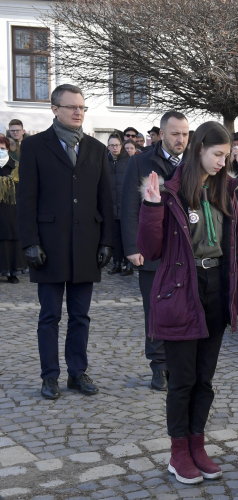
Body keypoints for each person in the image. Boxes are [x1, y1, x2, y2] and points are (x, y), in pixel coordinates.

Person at [137, 121, 238, 485]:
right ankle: (178, 453)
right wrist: (152, 206)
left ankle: (197, 444)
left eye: (227, 156)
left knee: (204, 379)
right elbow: (150, 249)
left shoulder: (226, 192)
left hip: (216, 290)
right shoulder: (170, 191)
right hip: (181, 292)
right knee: (183, 380)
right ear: (199, 148)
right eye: (217, 155)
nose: (223, 162)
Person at [17, 83, 114, 400]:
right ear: (54, 109)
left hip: (86, 243)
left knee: (80, 315)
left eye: (82, 108)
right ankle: (50, 376)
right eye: (72, 106)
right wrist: (29, 241)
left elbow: (105, 200)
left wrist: (106, 242)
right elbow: (26, 199)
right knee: (49, 316)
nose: (78, 112)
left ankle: (77, 372)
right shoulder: (33, 147)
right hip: (48, 245)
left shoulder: (96, 150)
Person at [121, 110, 190, 392]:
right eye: (175, 134)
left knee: (184, 309)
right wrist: (132, 247)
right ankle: (159, 366)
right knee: (155, 310)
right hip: (152, 250)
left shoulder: (195, 163)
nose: (181, 139)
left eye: (185, 134)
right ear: (161, 134)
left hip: (185, 251)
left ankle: (180, 365)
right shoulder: (140, 162)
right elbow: (128, 207)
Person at [107, 134, 132, 276]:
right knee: (115, 237)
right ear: (108, 147)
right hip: (111, 205)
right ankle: (116, 263)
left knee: (127, 236)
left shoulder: (129, 161)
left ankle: (129, 264)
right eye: (111, 145)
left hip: (126, 205)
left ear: (121, 146)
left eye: (116, 145)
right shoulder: (105, 160)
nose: (114, 148)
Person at [0, 136, 24, 283]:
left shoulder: (16, 166)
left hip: (11, 210)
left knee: (11, 240)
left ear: (8, 149)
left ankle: (12, 272)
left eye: (2, 148)